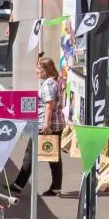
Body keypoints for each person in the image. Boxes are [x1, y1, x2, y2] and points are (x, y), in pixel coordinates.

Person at [36, 58, 65, 195]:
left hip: (50, 125)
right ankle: (56, 187)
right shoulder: (54, 82)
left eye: (39, 68)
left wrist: (46, 125)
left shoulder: (48, 84)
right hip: (56, 123)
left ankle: (56, 188)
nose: (36, 71)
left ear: (45, 70)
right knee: (52, 156)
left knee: (52, 157)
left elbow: (49, 105)